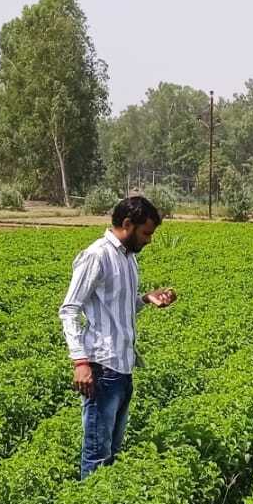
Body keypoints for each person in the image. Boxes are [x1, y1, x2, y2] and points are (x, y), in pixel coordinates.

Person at [59, 194, 177, 478]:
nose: (149, 240)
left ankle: (102, 501)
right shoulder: (97, 256)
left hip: (123, 367)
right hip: (102, 367)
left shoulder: (128, 258)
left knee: (112, 449)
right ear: (127, 224)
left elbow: (119, 304)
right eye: (146, 233)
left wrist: (147, 299)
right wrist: (80, 362)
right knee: (98, 454)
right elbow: (69, 310)